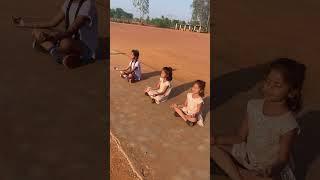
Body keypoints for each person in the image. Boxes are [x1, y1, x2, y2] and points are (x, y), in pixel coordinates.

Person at [211, 58, 306, 180]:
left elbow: (283, 159)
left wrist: (273, 169)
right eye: (267, 81)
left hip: (268, 168)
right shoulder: (253, 105)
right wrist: (216, 139)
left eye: (277, 85)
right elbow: (239, 137)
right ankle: (240, 176)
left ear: (292, 92)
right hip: (248, 156)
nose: (269, 87)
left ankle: (242, 173)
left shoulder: (288, 124)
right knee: (212, 147)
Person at [13, 0, 98, 68]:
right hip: (67, 37)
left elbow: (71, 31)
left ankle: (52, 49)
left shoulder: (88, 5)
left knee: (65, 43)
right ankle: (57, 53)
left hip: (85, 46)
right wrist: (24, 24)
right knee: (37, 32)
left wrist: (50, 37)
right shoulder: (68, 2)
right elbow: (52, 23)